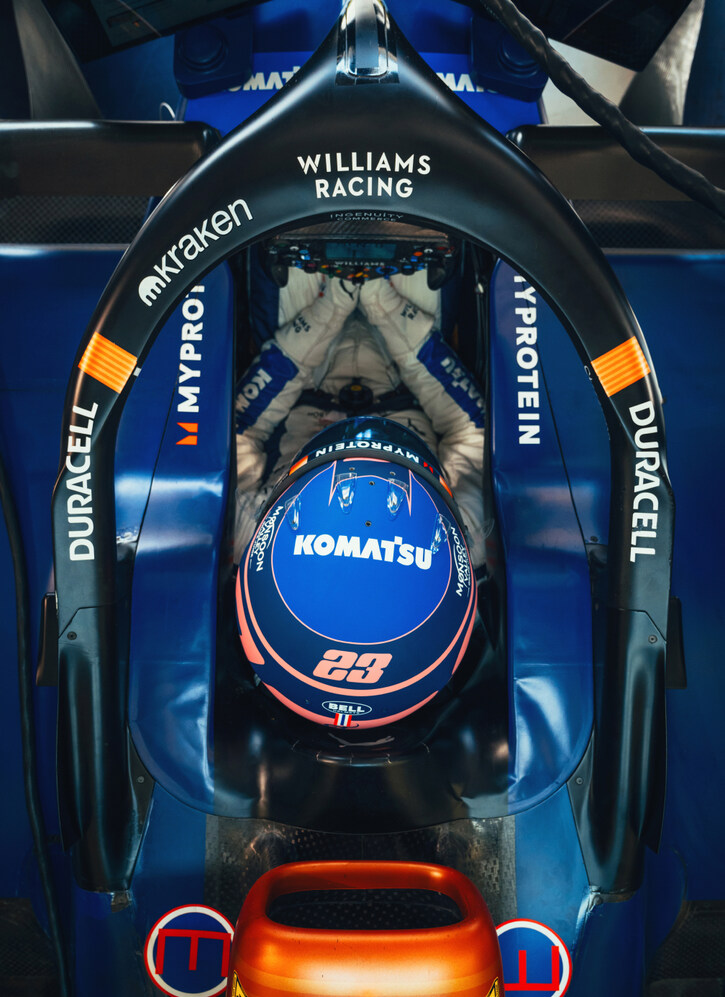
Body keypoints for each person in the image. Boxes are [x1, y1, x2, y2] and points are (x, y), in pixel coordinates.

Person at [234, 267, 486, 728]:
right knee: (425, 251)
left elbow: (238, 431)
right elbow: (474, 432)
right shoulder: (464, 545)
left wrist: (327, 312)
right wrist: (384, 306)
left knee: (288, 248)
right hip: (410, 377)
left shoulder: (248, 540)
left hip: (305, 365)